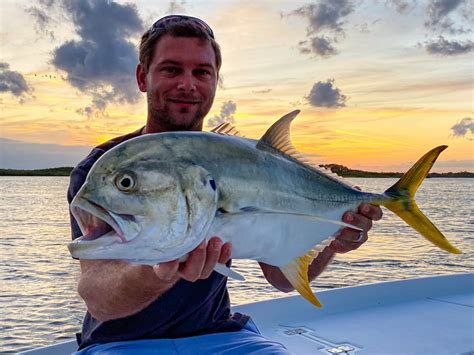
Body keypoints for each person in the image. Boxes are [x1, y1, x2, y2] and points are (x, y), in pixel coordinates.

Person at [67, 15, 383, 354]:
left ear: (216, 81)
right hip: (121, 344)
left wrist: (335, 240)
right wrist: (160, 273)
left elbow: (281, 278)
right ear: (143, 77)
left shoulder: (242, 161)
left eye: (201, 72)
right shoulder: (103, 169)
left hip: (224, 337)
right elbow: (99, 298)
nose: (187, 84)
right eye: (172, 69)